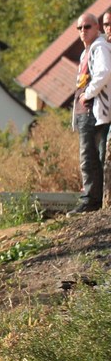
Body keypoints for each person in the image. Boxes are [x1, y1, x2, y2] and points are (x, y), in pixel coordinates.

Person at [71, 12, 111, 214]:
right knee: (91, 156)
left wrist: (88, 94)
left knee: (89, 156)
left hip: (92, 110)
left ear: (97, 28)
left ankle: (90, 199)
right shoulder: (86, 51)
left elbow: (104, 72)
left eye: (87, 27)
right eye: (79, 28)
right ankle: (93, 196)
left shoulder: (100, 47)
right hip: (84, 110)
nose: (83, 31)